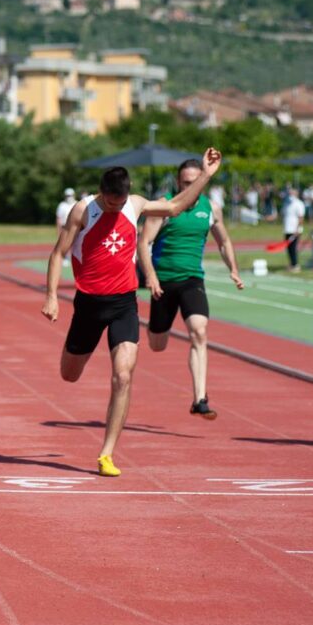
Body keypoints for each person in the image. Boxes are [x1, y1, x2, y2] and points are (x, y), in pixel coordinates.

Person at [43, 148, 223, 477]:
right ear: (102, 193)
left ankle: (107, 454)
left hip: (124, 303)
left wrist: (208, 175)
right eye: (110, 203)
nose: (115, 208)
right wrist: (52, 296)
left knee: (123, 375)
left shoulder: (135, 204)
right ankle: (74, 350)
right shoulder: (82, 210)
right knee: (69, 374)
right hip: (89, 303)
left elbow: (175, 205)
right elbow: (58, 254)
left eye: (119, 202)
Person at [138, 158, 245, 420]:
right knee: (157, 344)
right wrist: (150, 276)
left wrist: (233, 267)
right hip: (163, 282)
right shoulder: (164, 206)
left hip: (192, 279)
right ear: (178, 182)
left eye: (196, 181)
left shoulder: (211, 208)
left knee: (199, 330)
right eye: (186, 182)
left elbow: (223, 241)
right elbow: (144, 243)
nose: (191, 186)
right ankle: (154, 327)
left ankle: (200, 398)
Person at [281, 186, 306, 272]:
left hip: (294, 230)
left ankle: (295, 264)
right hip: (287, 229)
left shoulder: (299, 204)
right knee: (288, 248)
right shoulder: (286, 203)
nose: (290, 194)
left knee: (293, 248)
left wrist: (298, 229)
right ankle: (292, 264)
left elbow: (301, 218)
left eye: (292, 192)